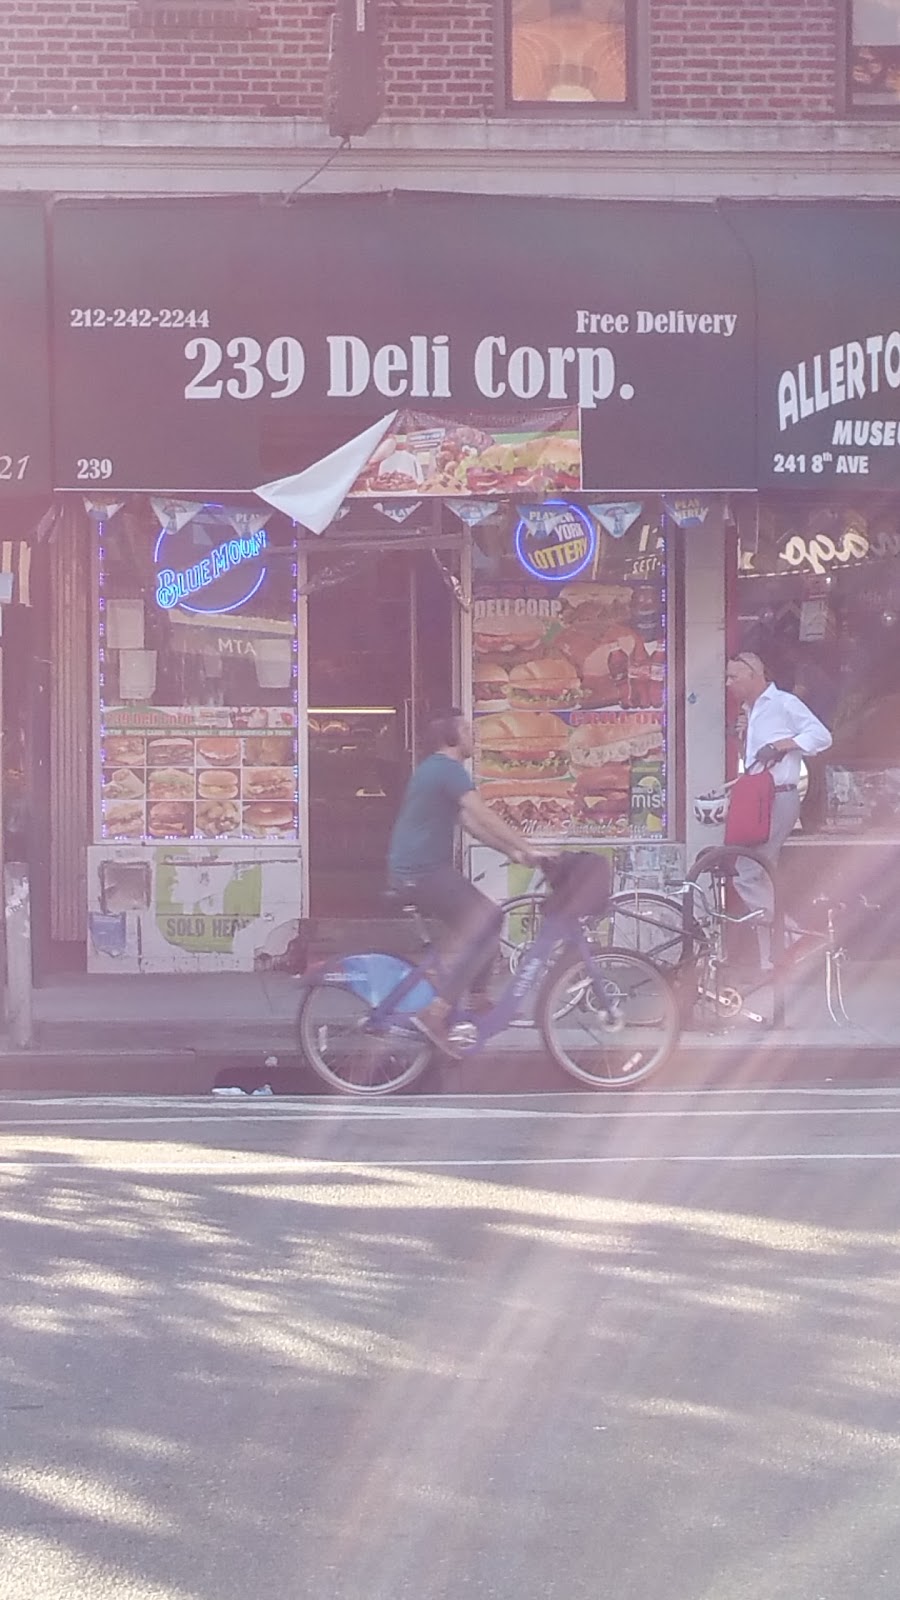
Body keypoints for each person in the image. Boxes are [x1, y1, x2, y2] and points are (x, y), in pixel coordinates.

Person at [387, 709, 543, 1048]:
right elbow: (481, 812)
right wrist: (528, 846)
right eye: (468, 731)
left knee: (490, 917)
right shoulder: (447, 770)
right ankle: (438, 1010)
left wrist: (513, 853)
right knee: (484, 926)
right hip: (422, 872)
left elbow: (471, 825)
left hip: (420, 869)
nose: (475, 737)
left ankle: (476, 998)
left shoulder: (434, 770)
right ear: (452, 737)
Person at [724, 652, 832, 965]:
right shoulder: (749, 710)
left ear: (755, 675)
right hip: (757, 799)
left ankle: (794, 937)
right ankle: (771, 959)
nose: (729, 684)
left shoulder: (784, 703)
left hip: (780, 796)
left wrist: (784, 744)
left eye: (734, 677)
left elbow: (822, 736)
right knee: (760, 876)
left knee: (748, 872)